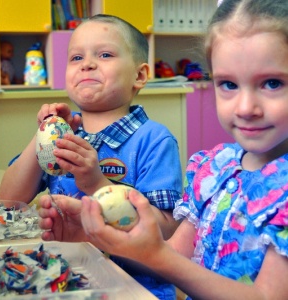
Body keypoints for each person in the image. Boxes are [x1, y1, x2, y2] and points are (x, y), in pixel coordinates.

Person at [40, 1, 288, 299]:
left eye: (273, 83)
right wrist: (94, 236)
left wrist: (157, 254)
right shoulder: (218, 169)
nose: (246, 108)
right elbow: (171, 259)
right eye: (228, 84)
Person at [0, 14, 182, 300]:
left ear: (140, 75)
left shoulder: (154, 140)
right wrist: (42, 135)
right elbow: (10, 200)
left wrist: (97, 183)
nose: (87, 63)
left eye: (105, 54)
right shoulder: (66, 134)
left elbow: (169, 232)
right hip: (68, 277)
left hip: (135, 285)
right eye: (76, 57)